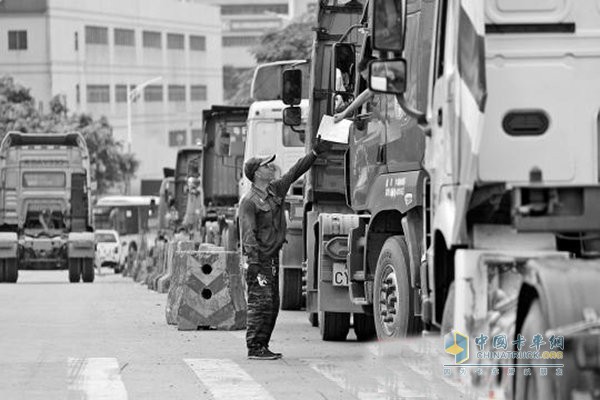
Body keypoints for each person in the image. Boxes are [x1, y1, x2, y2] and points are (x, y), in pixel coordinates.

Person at [240, 137, 332, 360]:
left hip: (271, 259)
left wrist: (314, 154)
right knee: (260, 304)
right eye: (266, 165)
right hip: (258, 260)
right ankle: (254, 347)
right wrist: (253, 265)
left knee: (273, 304)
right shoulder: (249, 201)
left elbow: (294, 172)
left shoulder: (275, 190)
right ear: (256, 173)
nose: (271, 167)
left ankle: (263, 345)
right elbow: (248, 235)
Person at [333, 56, 375, 123]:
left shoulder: (393, 83)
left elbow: (367, 94)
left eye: (369, 79)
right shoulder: (378, 86)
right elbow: (365, 95)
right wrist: (343, 114)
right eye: (366, 80)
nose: (369, 83)